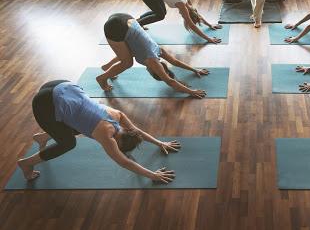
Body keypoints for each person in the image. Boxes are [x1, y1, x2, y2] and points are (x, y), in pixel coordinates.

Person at [17, 80, 181, 183]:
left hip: (63, 85)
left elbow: (137, 130)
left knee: (81, 123)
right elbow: (124, 162)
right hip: (45, 103)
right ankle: (26, 163)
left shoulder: (117, 116)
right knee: (68, 143)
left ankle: (43, 137)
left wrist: (160, 143)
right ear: (117, 141)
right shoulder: (106, 136)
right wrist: (153, 175)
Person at [96, 13, 209, 99]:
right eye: (151, 73)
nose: (148, 72)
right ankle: (102, 79)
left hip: (125, 18)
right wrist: (192, 92)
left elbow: (175, 62)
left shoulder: (158, 51)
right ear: (155, 70)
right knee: (128, 63)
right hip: (115, 27)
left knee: (127, 54)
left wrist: (195, 70)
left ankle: (107, 67)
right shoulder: (151, 61)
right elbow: (170, 81)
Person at [135, 0, 222, 44]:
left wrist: (210, 25)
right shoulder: (181, 4)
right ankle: (135, 25)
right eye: (184, 17)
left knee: (161, 12)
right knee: (160, 15)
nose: (181, 15)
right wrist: (208, 39)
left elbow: (195, 13)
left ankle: (139, 22)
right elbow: (191, 25)